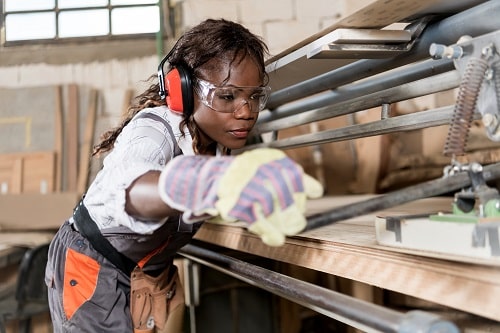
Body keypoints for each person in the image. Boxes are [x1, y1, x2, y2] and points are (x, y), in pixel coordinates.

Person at [45, 18, 322, 332]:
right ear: (184, 91)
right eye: (228, 97)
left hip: (145, 269)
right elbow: (134, 191)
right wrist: (208, 183)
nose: (246, 111)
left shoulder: (217, 142)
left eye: (254, 97)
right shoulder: (153, 131)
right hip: (92, 266)